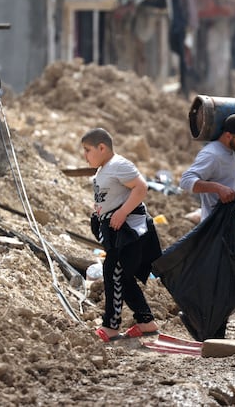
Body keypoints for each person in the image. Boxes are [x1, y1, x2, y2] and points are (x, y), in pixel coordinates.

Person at [179, 113, 235, 337]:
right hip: (216, 227)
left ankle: (209, 329)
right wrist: (217, 188)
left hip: (230, 226)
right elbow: (186, 180)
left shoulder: (229, 152)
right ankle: (201, 325)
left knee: (227, 282)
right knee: (220, 283)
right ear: (228, 135)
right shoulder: (212, 154)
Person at [82, 128, 161, 342]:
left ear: (102, 147)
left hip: (129, 230)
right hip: (115, 230)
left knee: (112, 271)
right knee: (122, 276)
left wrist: (122, 212)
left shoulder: (119, 164)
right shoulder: (103, 170)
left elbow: (141, 187)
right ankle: (146, 322)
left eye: (87, 150)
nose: (85, 155)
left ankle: (111, 326)